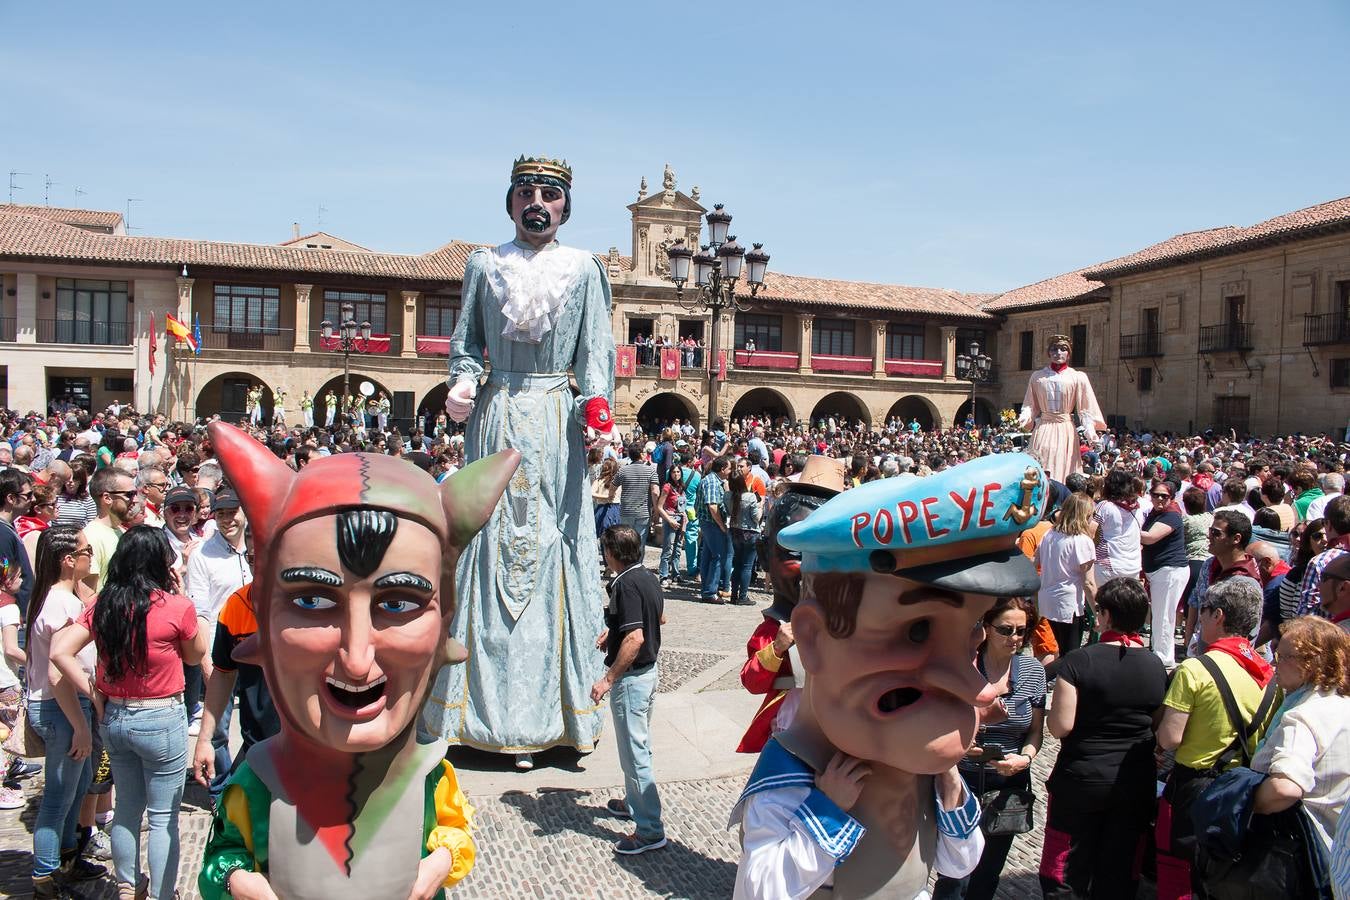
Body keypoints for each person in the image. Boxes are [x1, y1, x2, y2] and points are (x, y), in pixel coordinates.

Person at [197, 423, 513, 899]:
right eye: (311, 601)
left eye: (399, 602)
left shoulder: (431, 776)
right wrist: (244, 883)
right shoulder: (258, 782)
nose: (358, 659)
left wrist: (439, 863)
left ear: (444, 621)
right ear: (262, 613)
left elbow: (455, 832)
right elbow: (220, 861)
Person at [730, 452, 1049, 899]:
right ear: (814, 637)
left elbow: (959, 861)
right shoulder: (793, 776)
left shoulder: (917, 763)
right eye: (918, 630)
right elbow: (761, 892)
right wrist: (826, 809)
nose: (977, 687)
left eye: (973, 630)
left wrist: (952, 789)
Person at [428, 155, 617, 772]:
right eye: (528, 192)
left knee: (551, 541)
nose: (539, 203)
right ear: (510, 201)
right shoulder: (484, 264)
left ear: (566, 205)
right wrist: (461, 381)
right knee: (484, 538)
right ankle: (469, 716)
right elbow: (464, 342)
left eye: (552, 193)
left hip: (557, 421)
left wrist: (599, 417)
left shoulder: (585, 269)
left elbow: (596, 355)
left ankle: (555, 721)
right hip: (496, 409)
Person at [50, 526, 206, 900]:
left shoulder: (103, 604)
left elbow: (60, 652)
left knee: (126, 810)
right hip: (161, 716)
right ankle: (163, 894)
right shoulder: (174, 607)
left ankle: (126, 884)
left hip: (116, 716)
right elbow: (196, 656)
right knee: (163, 817)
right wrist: (181, 596)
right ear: (161, 563)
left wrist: (93, 692)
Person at [1039, 576, 1168, 900]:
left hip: (1081, 778)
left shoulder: (1080, 661)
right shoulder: (1156, 666)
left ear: (1106, 616)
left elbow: (1061, 726)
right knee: (1120, 869)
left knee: (1065, 867)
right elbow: (1155, 723)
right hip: (1133, 780)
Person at [1155, 575, 1276, 900]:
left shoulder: (1195, 670)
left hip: (1192, 794)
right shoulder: (1267, 674)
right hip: (1241, 793)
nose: (1200, 616)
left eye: (1204, 610)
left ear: (1218, 615)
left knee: (1178, 876)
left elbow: (1169, 737)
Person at [934, 597, 1046, 900]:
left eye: (1022, 631)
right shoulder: (966, 667)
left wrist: (1025, 758)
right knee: (954, 876)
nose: (1015, 639)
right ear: (987, 627)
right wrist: (964, 750)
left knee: (988, 873)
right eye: (1006, 630)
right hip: (964, 781)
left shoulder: (1033, 672)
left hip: (1009, 784)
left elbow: (1035, 731)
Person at [26, 526, 106, 897]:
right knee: (58, 798)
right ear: (68, 560)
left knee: (74, 791)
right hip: (63, 710)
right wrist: (81, 725)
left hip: (69, 708)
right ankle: (45, 877)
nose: (92, 556)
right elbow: (59, 674)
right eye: (86, 550)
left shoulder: (61, 597)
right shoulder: (59, 603)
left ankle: (65, 859)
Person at [1246, 615, 1350, 854]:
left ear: (1311, 663)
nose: (1275, 664)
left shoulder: (1302, 716)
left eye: (1283, 657)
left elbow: (1286, 788)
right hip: (1337, 845)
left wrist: (1243, 804)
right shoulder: (1343, 703)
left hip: (1301, 852)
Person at [593, 524, 666, 855]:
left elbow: (636, 637)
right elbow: (657, 619)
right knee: (639, 746)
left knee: (635, 754)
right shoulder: (648, 577)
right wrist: (614, 632)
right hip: (649, 675)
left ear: (610, 553)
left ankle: (650, 829)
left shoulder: (624, 585)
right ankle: (633, 802)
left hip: (633, 681)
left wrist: (607, 680)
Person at [185, 488, 251, 794]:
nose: (227, 520)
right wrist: (206, 659)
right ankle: (221, 791)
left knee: (260, 727)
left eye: (232, 512)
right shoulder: (202, 554)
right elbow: (199, 610)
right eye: (220, 514)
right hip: (222, 649)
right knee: (219, 729)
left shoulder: (259, 547)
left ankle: (244, 783)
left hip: (259, 651)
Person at [1017, 334, 1107, 483]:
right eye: (1054, 349)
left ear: (1069, 353)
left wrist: (1091, 434)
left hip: (1066, 430)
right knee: (1041, 462)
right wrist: (1025, 416)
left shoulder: (1078, 377)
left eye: (1063, 349)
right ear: (1048, 353)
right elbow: (1030, 405)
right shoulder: (1037, 377)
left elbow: (1086, 410)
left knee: (1064, 466)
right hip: (1043, 428)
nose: (1058, 353)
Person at [1035, 492, 1096, 656]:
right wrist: (1097, 611)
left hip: (1048, 599)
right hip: (1069, 604)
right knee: (1071, 654)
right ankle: (1045, 677)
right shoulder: (1082, 541)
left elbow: (1036, 562)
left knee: (1064, 649)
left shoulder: (1049, 534)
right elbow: (1089, 583)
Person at [1141, 479, 1189, 668]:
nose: (1159, 499)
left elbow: (1151, 537)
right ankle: (1159, 652)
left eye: (1164, 496)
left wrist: (1126, 530)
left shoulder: (1172, 516)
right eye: (1156, 495)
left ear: (1171, 498)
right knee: (1160, 614)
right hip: (1159, 571)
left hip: (1170, 570)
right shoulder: (1155, 514)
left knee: (1164, 615)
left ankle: (1163, 657)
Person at [1092, 469, 1142, 588]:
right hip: (1133, 566)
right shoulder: (1137, 507)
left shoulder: (1105, 506)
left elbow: (1090, 532)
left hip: (1107, 565)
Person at [697, 455, 734, 603]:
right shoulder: (712, 481)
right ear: (723, 468)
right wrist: (722, 525)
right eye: (729, 468)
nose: (731, 471)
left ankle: (706, 588)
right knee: (718, 556)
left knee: (707, 556)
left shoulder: (714, 480)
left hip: (708, 522)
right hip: (711, 523)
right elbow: (713, 506)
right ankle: (710, 592)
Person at [0, 469, 35, 614]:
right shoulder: (2, 533)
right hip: (13, 617)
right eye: (28, 495)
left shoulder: (8, 528)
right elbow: (5, 576)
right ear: (11, 498)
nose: (33, 499)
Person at [728, 467, 763, 607]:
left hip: (735, 531)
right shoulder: (750, 497)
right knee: (747, 566)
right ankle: (743, 596)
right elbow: (756, 518)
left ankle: (733, 595)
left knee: (736, 564)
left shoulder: (727, 496)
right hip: (750, 532)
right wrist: (760, 507)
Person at [612, 443, 658, 545]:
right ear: (641, 454)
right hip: (643, 512)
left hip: (626, 511)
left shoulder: (623, 470)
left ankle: (627, 560)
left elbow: (612, 488)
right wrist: (656, 510)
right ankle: (637, 561)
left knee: (626, 541)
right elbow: (655, 492)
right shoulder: (651, 471)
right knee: (639, 542)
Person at [655, 466, 685, 587]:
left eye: (678, 472)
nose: (676, 474)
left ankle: (676, 574)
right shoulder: (667, 487)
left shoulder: (681, 486)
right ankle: (663, 575)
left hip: (680, 518)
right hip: (670, 518)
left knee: (677, 548)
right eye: (673, 472)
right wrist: (669, 520)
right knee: (668, 548)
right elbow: (659, 506)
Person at [591, 456, 622, 540]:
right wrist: (607, 497)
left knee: (602, 535)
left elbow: (591, 493)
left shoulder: (599, 480)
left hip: (602, 508)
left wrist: (604, 497)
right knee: (613, 536)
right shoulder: (617, 480)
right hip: (614, 509)